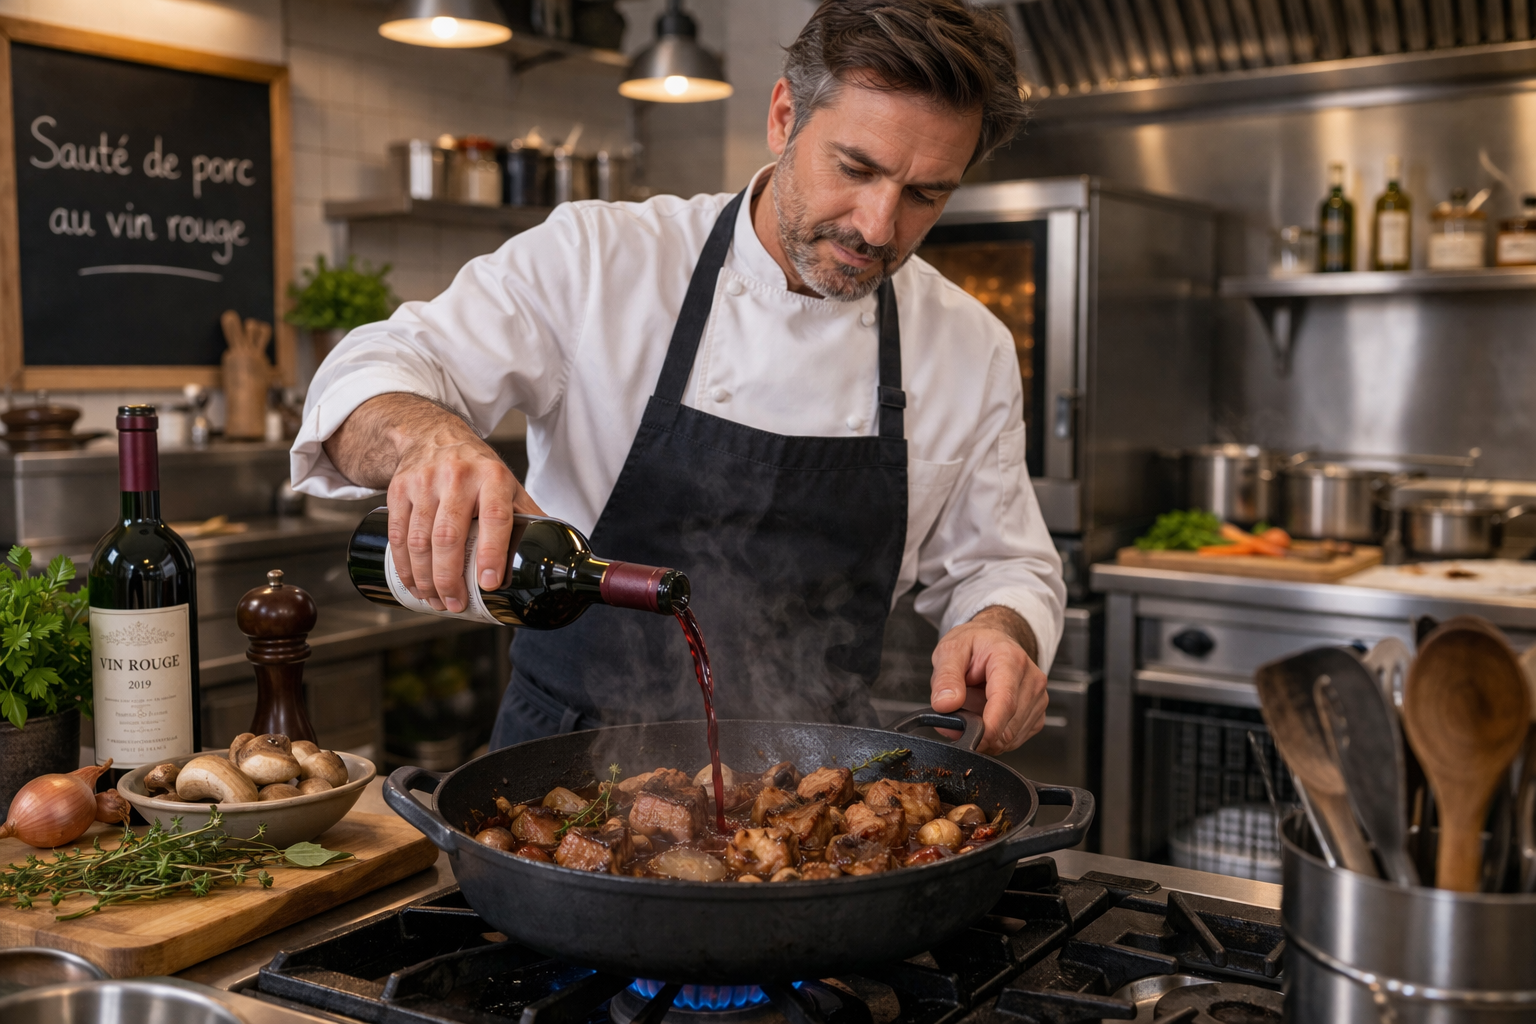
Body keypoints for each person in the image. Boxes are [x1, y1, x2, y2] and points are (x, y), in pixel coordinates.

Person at [291, 0, 1065, 756]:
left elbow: (1004, 562)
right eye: (855, 167)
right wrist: (427, 440)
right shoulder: (600, 259)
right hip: (567, 757)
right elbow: (367, 374)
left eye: (926, 193)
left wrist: (999, 628)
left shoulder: (971, 345)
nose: (877, 225)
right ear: (784, 117)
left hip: (819, 777)